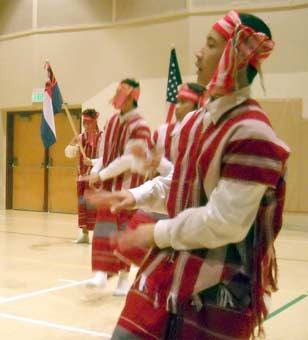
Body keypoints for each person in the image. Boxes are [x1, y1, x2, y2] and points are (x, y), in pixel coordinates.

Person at [94, 11, 289, 339]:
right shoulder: (195, 124)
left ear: (235, 57)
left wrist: (155, 232)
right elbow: (179, 180)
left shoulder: (252, 133)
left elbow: (224, 222)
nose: (199, 53)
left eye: (211, 44)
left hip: (219, 289)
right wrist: (136, 195)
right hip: (167, 272)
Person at [85, 78, 154, 296]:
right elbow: (106, 153)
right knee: (103, 229)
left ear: (132, 97)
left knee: (124, 234)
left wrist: (103, 173)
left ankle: (124, 279)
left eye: (121, 93)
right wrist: (96, 170)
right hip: (109, 186)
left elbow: (128, 160)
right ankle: (100, 271)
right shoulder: (112, 121)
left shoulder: (140, 126)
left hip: (128, 188)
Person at [64, 109, 102, 244]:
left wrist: (91, 161)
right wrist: (72, 142)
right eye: (84, 122)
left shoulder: (102, 137)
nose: (86, 125)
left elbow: (105, 158)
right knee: (83, 206)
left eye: (88, 122)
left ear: (94, 121)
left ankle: (98, 236)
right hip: (82, 177)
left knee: (96, 207)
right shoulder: (81, 137)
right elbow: (68, 154)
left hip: (96, 178)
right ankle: (84, 234)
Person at [153, 82, 207, 163]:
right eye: (177, 101)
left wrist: (160, 164)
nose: (177, 107)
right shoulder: (162, 131)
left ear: (198, 106)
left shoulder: (203, 134)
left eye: (183, 102)